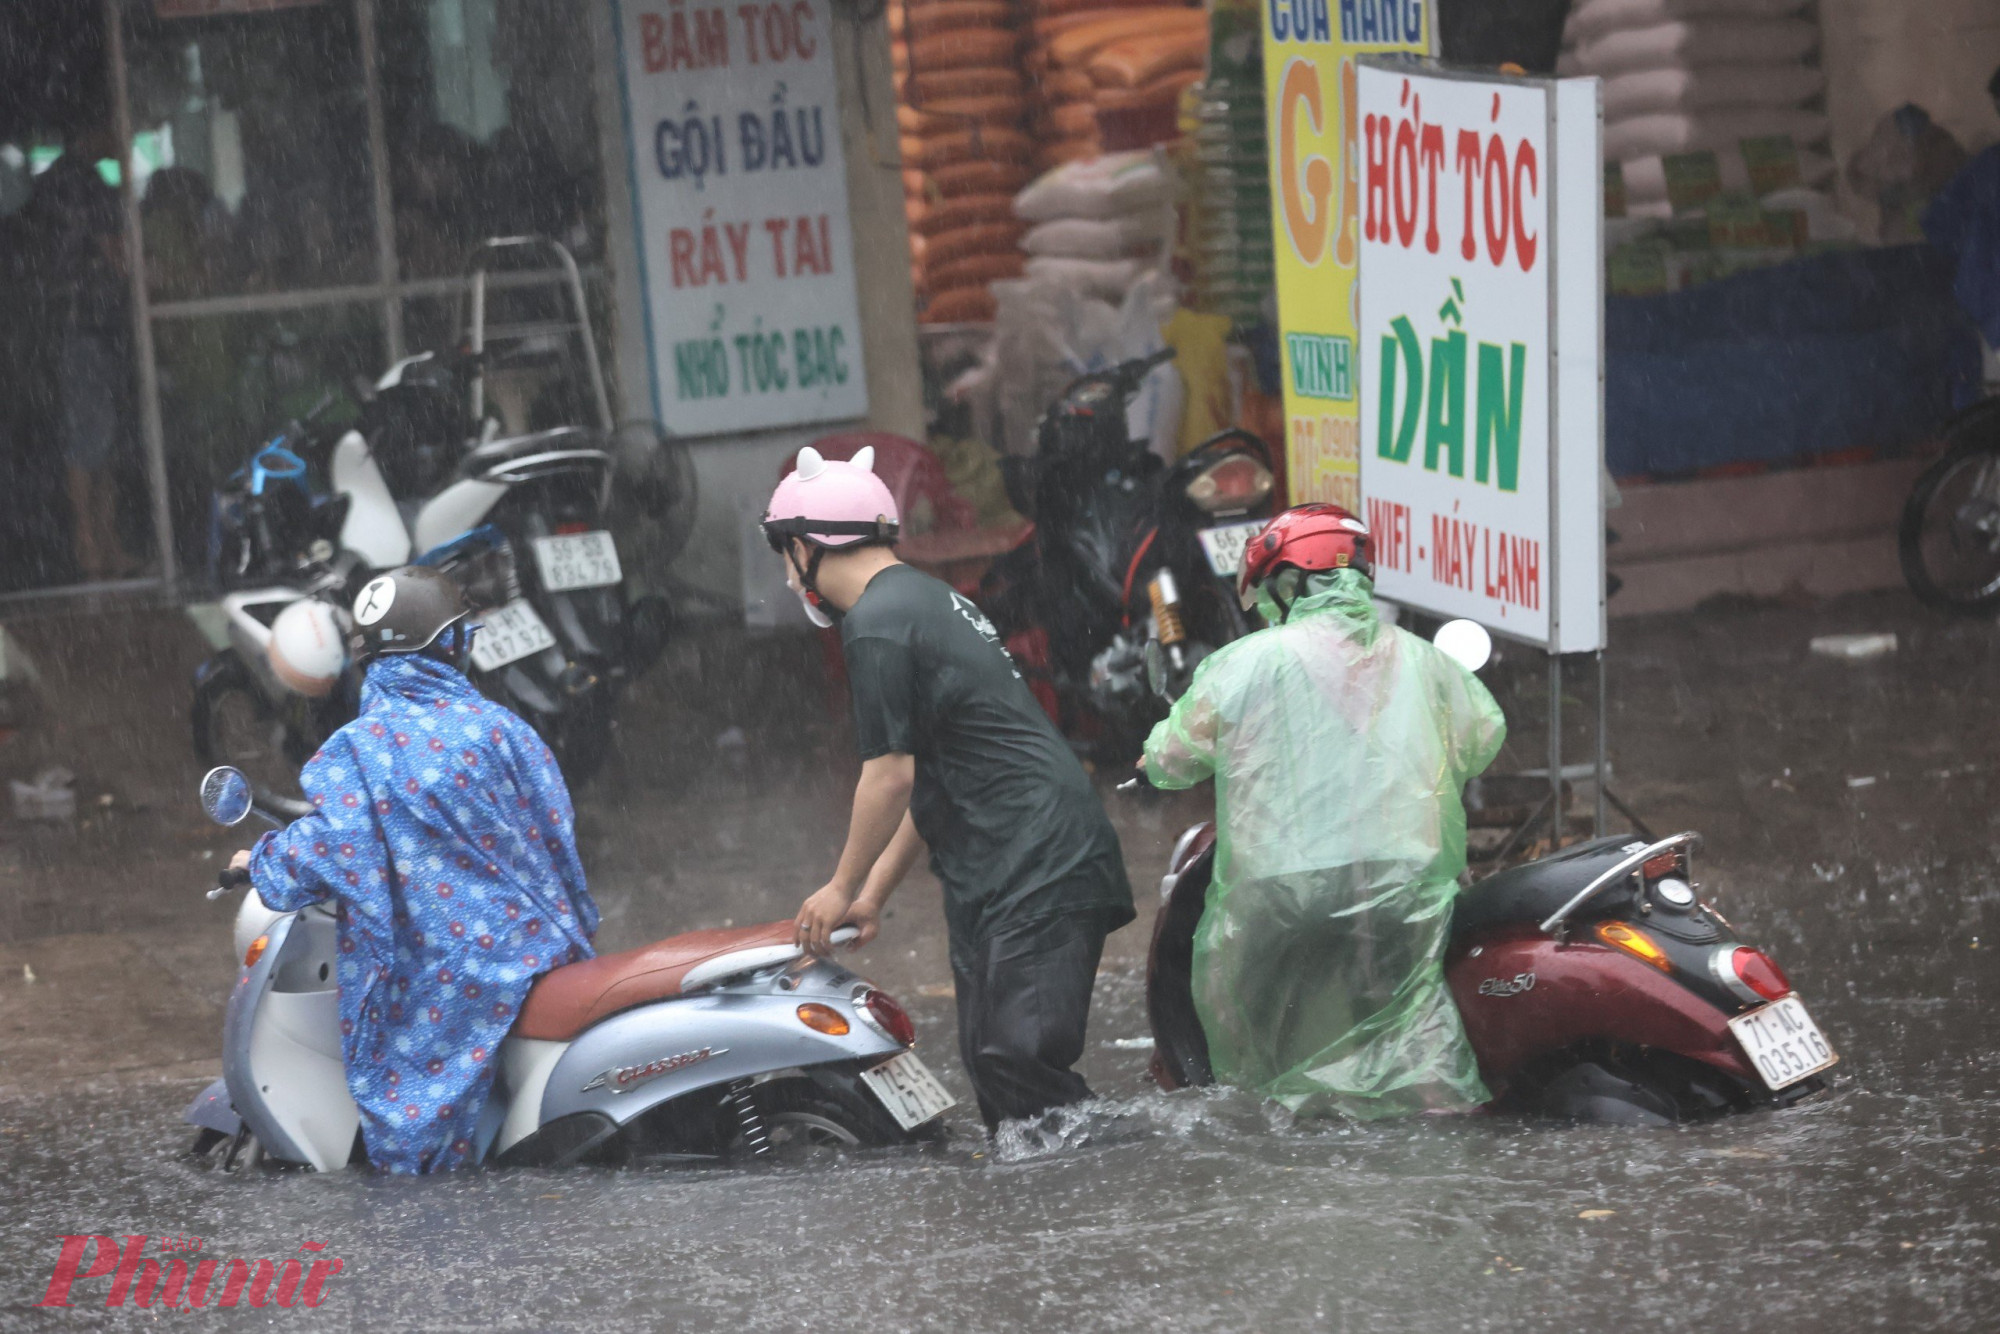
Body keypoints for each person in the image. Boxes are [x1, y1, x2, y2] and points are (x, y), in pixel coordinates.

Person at [770, 445, 1135, 1131]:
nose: (789, 582)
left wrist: (840, 887)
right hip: (1003, 866)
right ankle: (1049, 1224)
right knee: (994, 1070)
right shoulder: (922, 597)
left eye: (785, 559)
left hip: (1038, 859)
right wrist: (875, 893)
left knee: (1017, 1060)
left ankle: (1139, 1177)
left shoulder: (877, 622)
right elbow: (933, 775)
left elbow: (889, 775)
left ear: (805, 546)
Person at [1140, 504, 1506, 1119]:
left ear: (1286, 581)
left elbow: (1172, 758)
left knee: (1253, 1044)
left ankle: (1279, 1119)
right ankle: (1431, 1113)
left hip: (1282, 890)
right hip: (1408, 884)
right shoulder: (1426, 660)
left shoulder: (1246, 661)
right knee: (1414, 1025)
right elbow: (1482, 739)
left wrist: (1148, 762)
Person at [230, 567, 599, 1172]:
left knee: (408, 1124)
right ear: (452, 646)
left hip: (450, 977)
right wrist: (572, 925)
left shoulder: (359, 750)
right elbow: (560, 836)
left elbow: (334, 845)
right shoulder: (505, 730)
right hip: (546, 950)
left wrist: (265, 858)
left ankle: (427, 1203)